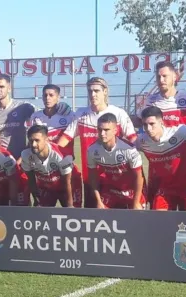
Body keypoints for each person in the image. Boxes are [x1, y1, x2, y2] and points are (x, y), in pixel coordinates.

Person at [58, 77, 137, 208]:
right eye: (90, 91)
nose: (92, 94)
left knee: (119, 220)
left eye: (96, 91)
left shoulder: (119, 113)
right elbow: (65, 138)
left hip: (115, 178)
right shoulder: (81, 114)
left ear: (105, 91)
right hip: (91, 177)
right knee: (93, 219)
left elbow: (133, 141)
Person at [0, 74, 71, 160]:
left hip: (19, 157)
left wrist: (60, 105)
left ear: (9, 88)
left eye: (2, 87)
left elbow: (44, 113)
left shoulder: (23, 106)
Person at [26, 83, 83, 206]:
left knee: (73, 214)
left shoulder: (68, 115)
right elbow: (33, 141)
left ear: (58, 97)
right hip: (46, 174)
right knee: (42, 214)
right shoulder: (36, 117)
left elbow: (79, 128)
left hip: (67, 170)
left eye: (51, 95)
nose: (48, 98)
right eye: (45, 95)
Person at [137, 106, 186, 211]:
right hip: (165, 188)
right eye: (145, 125)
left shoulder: (180, 132)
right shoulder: (141, 140)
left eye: (152, 124)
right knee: (160, 222)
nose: (148, 128)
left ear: (161, 122)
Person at [87, 113, 146, 210]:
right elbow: (93, 178)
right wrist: (98, 201)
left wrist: (136, 202)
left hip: (131, 191)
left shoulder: (129, 150)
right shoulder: (92, 150)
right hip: (111, 191)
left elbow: (139, 178)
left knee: (136, 219)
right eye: (100, 129)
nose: (102, 133)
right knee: (102, 215)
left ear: (115, 130)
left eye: (106, 130)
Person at [21, 125, 82, 208]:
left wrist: (70, 206)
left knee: (73, 213)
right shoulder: (25, 155)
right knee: (41, 212)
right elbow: (31, 179)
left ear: (46, 139)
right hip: (47, 186)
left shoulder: (61, 156)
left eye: (37, 140)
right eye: (31, 141)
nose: (34, 144)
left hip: (69, 184)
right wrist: (36, 199)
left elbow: (68, 182)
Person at [141, 61, 186, 127]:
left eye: (164, 76)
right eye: (158, 77)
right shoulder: (150, 101)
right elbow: (139, 120)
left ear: (174, 77)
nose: (161, 80)